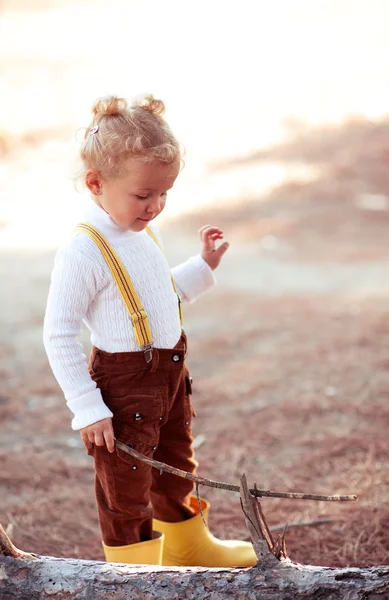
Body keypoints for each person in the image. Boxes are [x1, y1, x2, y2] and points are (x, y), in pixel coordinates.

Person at [43, 94, 256, 567]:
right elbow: (58, 334)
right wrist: (87, 407)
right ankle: (135, 573)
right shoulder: (84, 250)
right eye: (144, 195)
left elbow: (159, 295)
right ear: (96, 183)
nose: (156, 206)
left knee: (177, 465)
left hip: (169, 376)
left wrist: (202, 266)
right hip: (123, 389)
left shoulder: (140, 233)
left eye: (165, 193)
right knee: (127, 486)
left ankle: (187, 545)